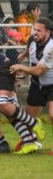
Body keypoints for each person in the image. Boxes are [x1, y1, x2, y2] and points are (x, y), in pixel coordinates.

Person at [10, 18, 53, 155]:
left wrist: (21, 67)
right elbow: (29, 49)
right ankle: (29, 141)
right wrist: (22, 55)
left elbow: (40, 70)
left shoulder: (51, 47)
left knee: (52, 115)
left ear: (48, 32)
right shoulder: (32, 39)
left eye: (39, 30)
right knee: (28, 119)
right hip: (37, 84)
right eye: (34, 29)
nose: (35, 32)